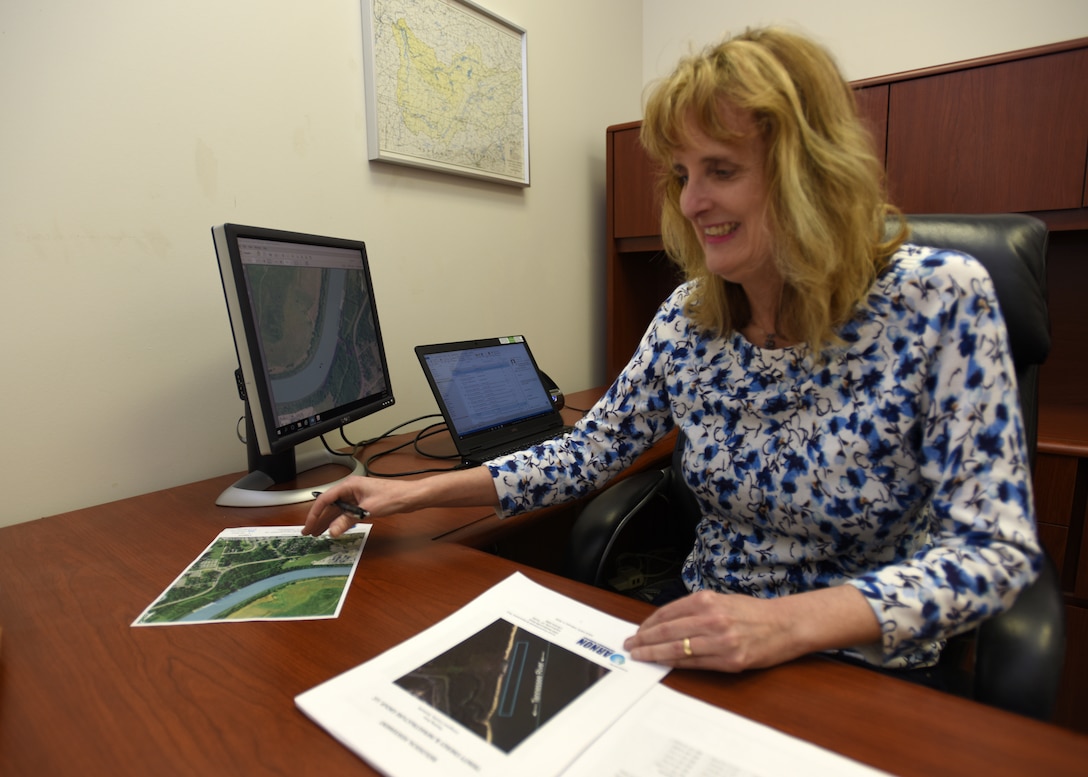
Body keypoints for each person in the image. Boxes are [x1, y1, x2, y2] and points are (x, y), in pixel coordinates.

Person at [305, 26, 1041, 677]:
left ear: (811, 173)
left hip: (861, 661)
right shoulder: (690, 319)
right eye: (683, 175)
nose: (691, 203)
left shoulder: (940, 298)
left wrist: (786, 623)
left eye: (721, 170)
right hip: (700, 633)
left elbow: (992, 551)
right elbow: (584, 454)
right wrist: (408, 493)